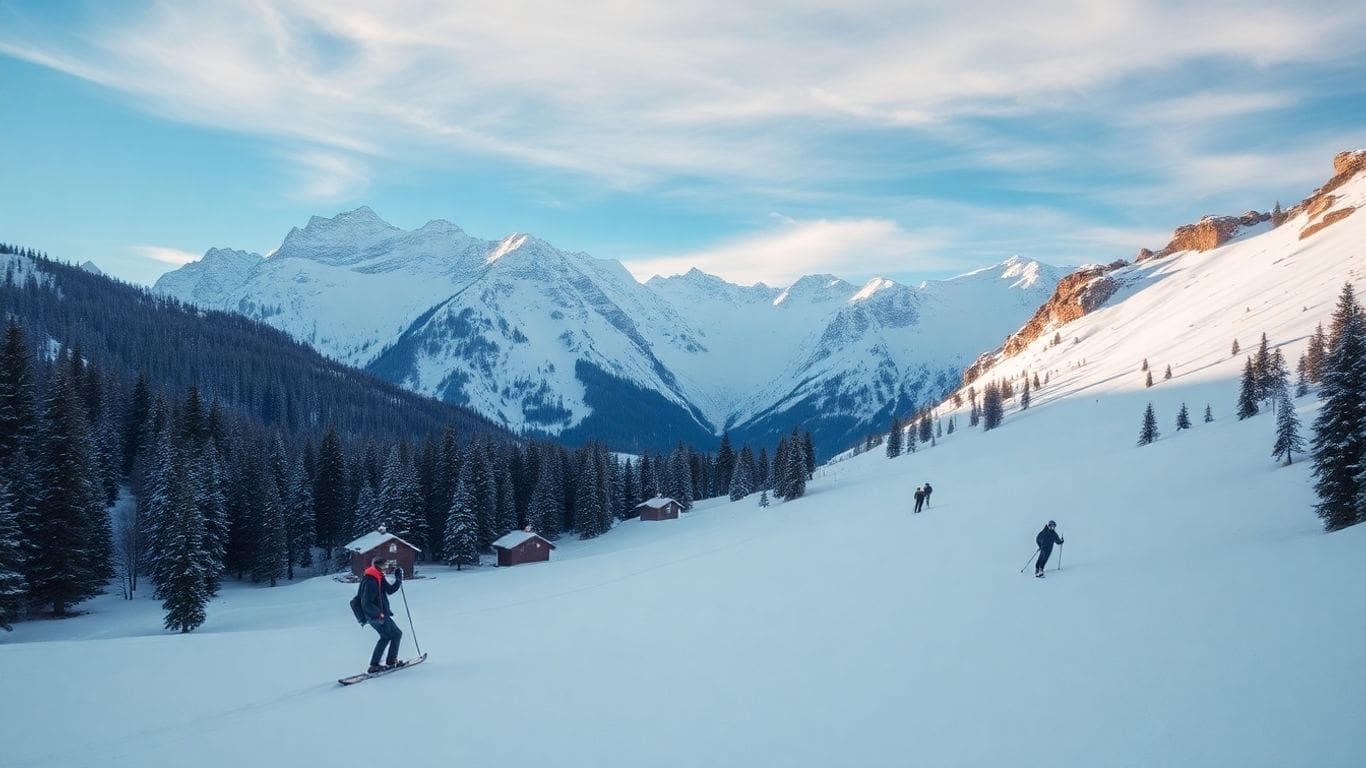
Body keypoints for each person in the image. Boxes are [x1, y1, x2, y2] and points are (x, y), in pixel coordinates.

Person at [358, 556, 404, 672]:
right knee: (389, 636)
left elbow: (389, 589)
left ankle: (388, 661)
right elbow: (366, 603)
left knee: (394, 634)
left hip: (381, 614)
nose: (387, 567)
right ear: (379, 566)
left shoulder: (378, 577)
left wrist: (398, 578)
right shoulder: (371, 581)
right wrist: (379, 614)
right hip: (377, 615)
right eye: (385, 565)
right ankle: (376, 665)